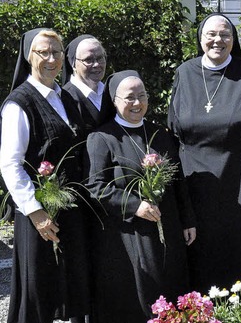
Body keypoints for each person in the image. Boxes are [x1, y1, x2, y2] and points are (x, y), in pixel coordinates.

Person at [168, 13, 241, 294]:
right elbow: (172, 128)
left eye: (225, 35)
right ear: (200, 38)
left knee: (239, 252)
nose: (218, 40)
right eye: (211, 34)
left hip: (239, 176)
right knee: (199, 248)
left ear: (234, 40)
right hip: (195, 178)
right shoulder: (185, 72)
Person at [85, 70, 196, 322]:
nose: (137, 103)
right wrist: (135, 206)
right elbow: (96, 186)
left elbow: (178, 182)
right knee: (141, 296)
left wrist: (188, 221)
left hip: (167, 227)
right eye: (130, 97)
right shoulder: (102, 138)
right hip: (129, 234)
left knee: (173, 289)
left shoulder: (161, 134)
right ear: (114, 100)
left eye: (142, 95)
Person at [0, 28, 90, 323]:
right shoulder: (19, 104)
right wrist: (36, 212)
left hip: (70, 210)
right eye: (43, 52)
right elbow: (10, 165)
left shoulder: (64, 97)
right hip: (39, 215)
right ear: (29, 57)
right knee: (38, 291)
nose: (51, 59)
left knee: (72, 286)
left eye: (57, 52)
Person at [62, 34, 115, 131]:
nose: (96, 64)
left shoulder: (112, 93)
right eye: (88, 60)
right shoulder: (65, 98)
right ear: (73, 64)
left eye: (100, 58)